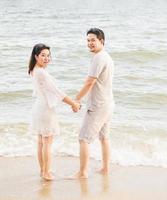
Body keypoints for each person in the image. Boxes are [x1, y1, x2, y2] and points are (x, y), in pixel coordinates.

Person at [28, 43, 81, 181]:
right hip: (45, 110)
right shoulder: (41, 73)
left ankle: (42, 170)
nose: (46, 58)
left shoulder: (34, 70)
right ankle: (46, 172)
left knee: (41, 142)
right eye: (43, 55)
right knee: (47, 143)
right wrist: (74, 103)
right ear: (36, 56)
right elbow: (57, 93)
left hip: (39, 107)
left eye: (48, 55)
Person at [75, 28, 114, 178]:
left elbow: (90, 82)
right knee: (104, 138)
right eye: (88, 40)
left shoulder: (98, 58)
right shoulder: (107, 57)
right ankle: (105, 169)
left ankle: (82, 172)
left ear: (101, 41)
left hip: (98, 105)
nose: (90, 43)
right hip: (108, 104)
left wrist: (76, 99)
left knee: (83, 139)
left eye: (93, 40)